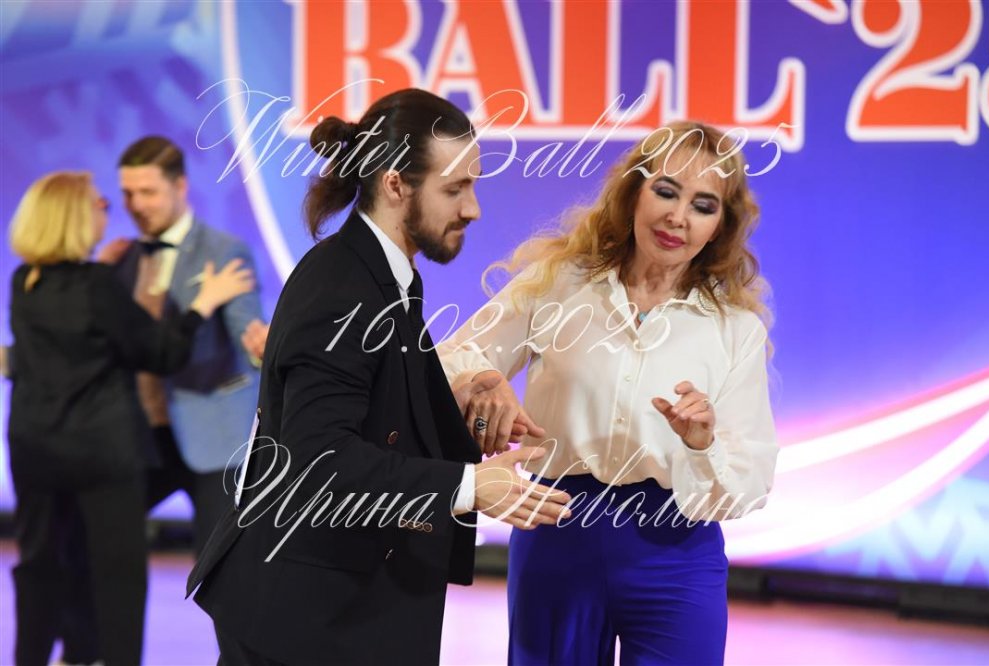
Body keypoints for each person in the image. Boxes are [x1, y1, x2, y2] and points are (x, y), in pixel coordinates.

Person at [187, 88, 573, 666]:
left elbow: (368, 406)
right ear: (396, 184)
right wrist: (471, 486)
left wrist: (448, 400)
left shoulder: (386, 275)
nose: (473, 209)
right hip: (305, 621)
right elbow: (321, 461)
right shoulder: (341, 289)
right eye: (455, 189)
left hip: (340, 607)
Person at [438, 121, 780, 665]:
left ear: (720, 225)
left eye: (703, 205)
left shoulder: (735, 329)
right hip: (557, 526)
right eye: (665, 191)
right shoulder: (560, 283)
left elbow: (749, 482)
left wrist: (702, 445)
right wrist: (483, 382)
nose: (678, 217)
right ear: (633, 192)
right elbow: (451, 356)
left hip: (676, 546)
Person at [6, 171, 253, 666]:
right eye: (100, 203)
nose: (109, 209)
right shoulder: (99, 286)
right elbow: (160, 353)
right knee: (117, 576)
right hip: (102, 454)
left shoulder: (25, 281)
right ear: (75, 217)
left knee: (39, 568)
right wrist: (202, 303)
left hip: (34, 449)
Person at [103, 135, 266, 553]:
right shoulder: (122, 257)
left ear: (180, 186)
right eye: (128, 193)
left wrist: (259, 347)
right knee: (101, 543)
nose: (136, 204)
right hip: (144, 437)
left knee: (220, 567)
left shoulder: (223, 250)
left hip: (214, 428)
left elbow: (245, 324)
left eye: (148, 192)